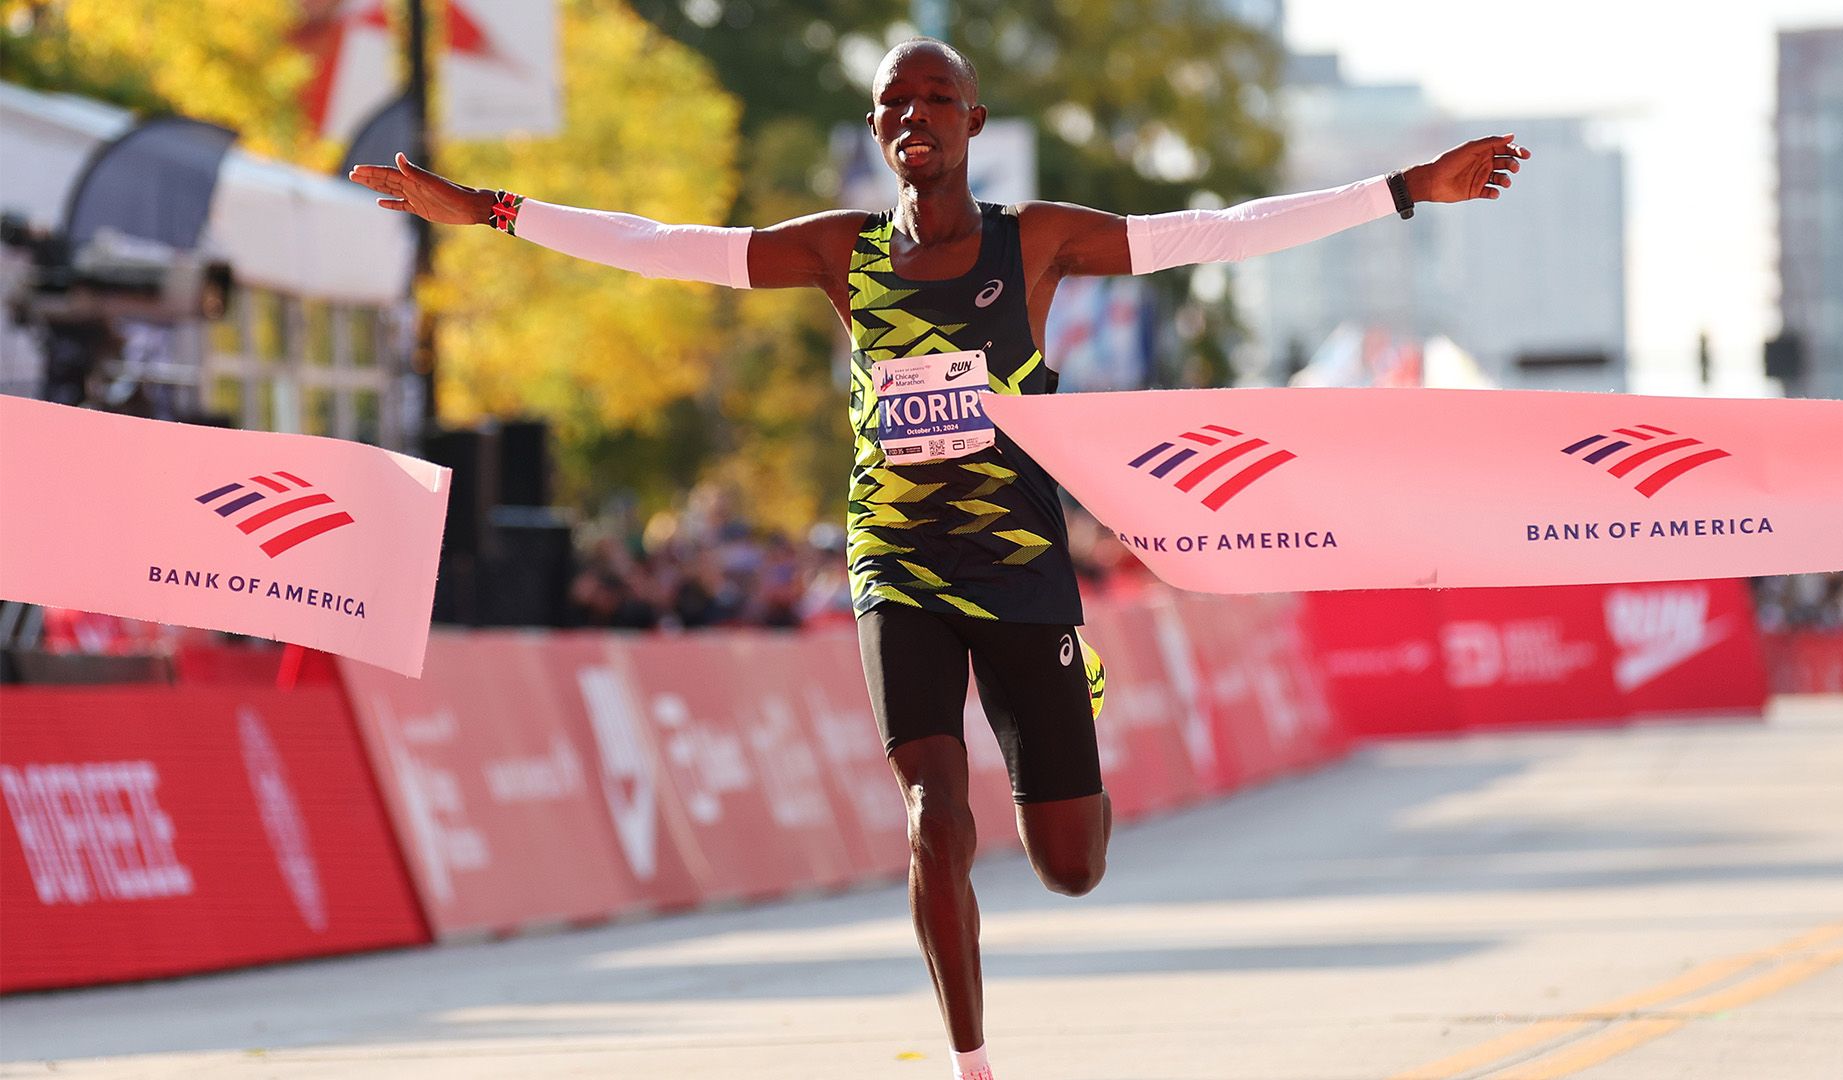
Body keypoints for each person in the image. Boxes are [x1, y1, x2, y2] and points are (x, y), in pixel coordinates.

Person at [351, 37, 1527, 1080]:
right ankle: (970, 1063)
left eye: (937, 99)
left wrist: (1405, 191)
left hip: (1019, 568)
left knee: (1071, 865)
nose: (915, 117)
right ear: (875, 134)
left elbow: (1211, 234)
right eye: (894, 103)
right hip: (897, 562)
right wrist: (495, 211)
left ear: (970, 123)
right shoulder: (837, 256)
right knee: (931, 813)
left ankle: (1078, 699)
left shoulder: (1038, 246)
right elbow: (665, 248)